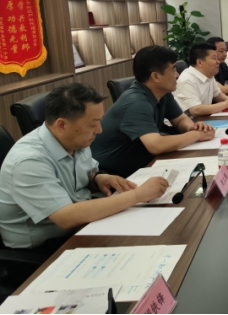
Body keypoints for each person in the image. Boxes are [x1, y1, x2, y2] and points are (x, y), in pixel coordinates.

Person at [0, 83, 169, 251]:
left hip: (81, 225)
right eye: (92, 124)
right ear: (61, 125)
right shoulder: (28, 161)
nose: (99, 130)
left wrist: (98, 179)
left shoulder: (76, 139)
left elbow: (84, 175)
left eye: (100, 121)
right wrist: (137, 195)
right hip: (45, 247)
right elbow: (66, 217)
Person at [91, 46, 215, 178]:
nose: (177, 74)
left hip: (144, 162)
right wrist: (196, 135)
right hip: (113, 175)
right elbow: (156, 145)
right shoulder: (136, 102)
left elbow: (179, 119)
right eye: (173, 69)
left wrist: (192, 127)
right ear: (156, 76)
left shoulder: (162, 92)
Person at [174, 42, 228, 116]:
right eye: (214, 58)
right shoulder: (187, 79)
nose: (218, 62)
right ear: (200, 62)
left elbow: (217, 95)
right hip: (190, 121)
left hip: (204, 118)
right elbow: (196, 110)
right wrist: (227, 103)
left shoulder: (208, 75)